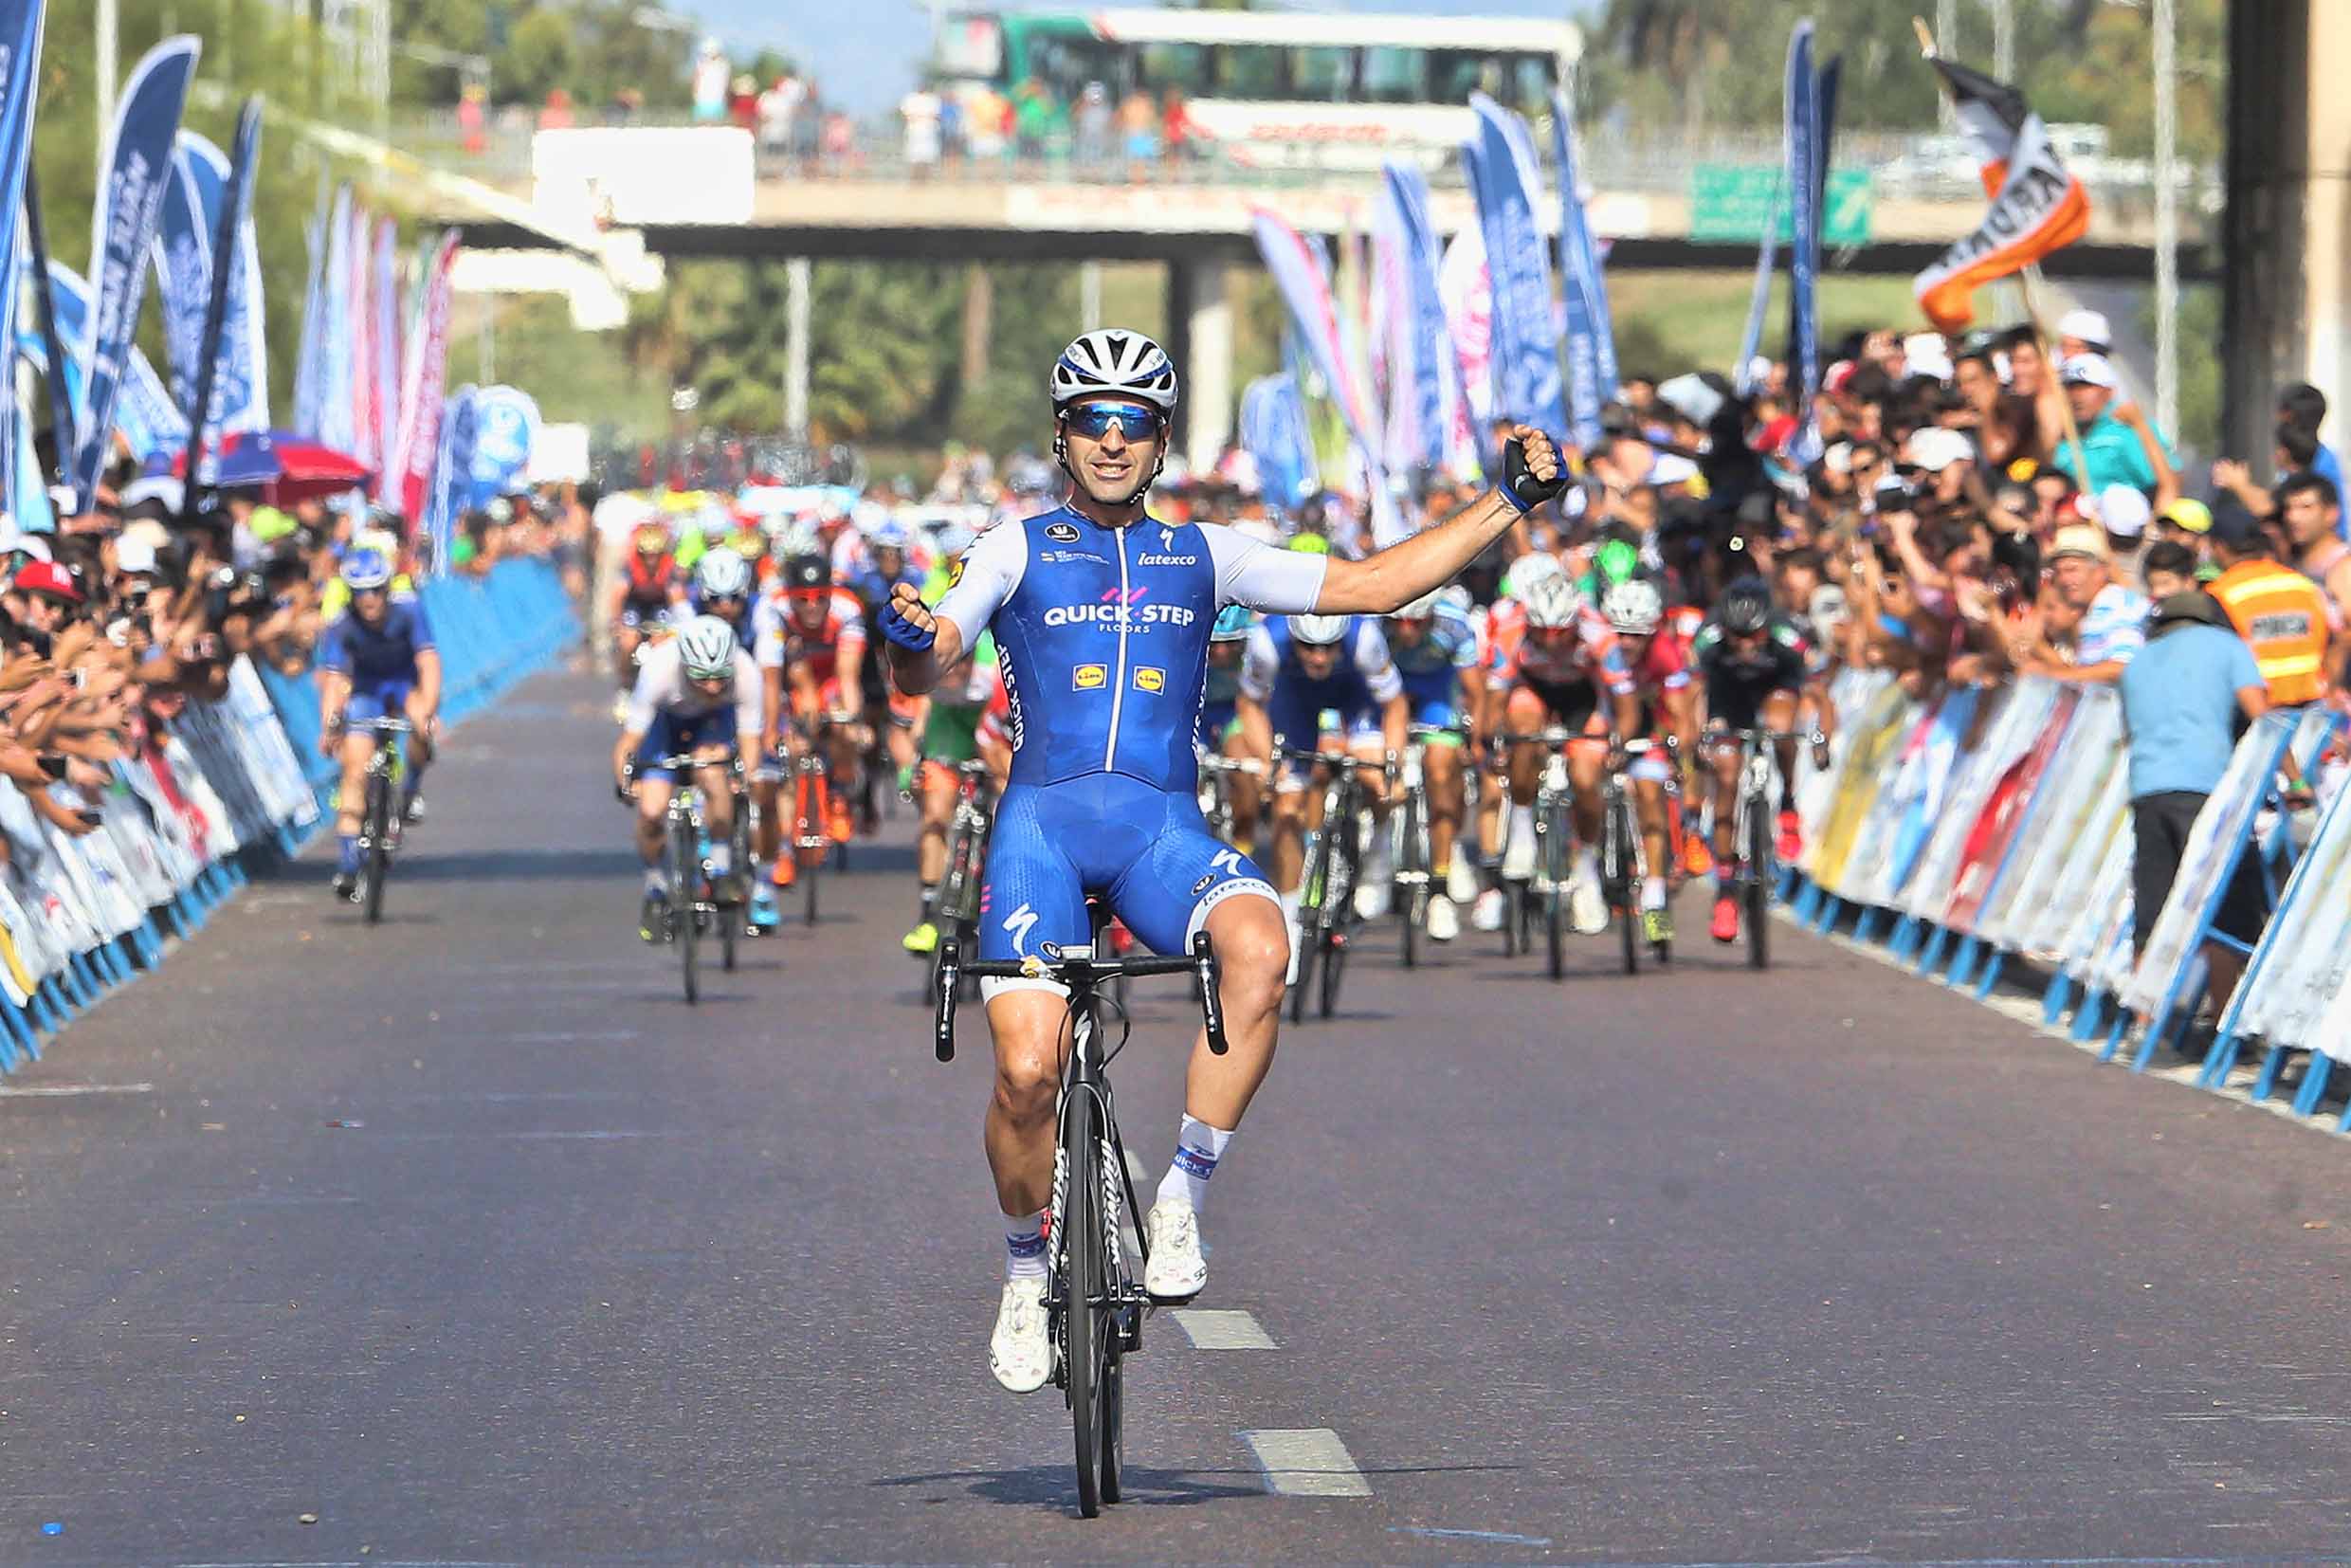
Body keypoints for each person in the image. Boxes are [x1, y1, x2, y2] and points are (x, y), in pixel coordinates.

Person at [876, 328, 1564, 1393]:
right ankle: (1023, 1274)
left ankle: (1184, 1196)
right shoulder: (1014, 547)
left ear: (1158, 442)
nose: (1111, 440)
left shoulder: (1206, 553)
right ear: (1061, 438)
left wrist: (1504, 503)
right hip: (1041, 835)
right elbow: (932, 667)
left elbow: (1376, 586)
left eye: (1133, 422)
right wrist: (907, 637)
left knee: (1260, 942)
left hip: (1160, 831)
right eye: (1091, 421)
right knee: (1024, 1072)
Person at [2116, 593, 2270, 1013]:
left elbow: (2130, 730)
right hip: (2205, 786)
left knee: (2154, 904)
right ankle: (2223, 1018)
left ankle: (2146, 1018)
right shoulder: (2226, 646)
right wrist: (2294, 777)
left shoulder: (2137, 663)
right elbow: (2260, 713)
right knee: (2227, 902)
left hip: (2147, 787)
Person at [1241, 610, 1408, 951]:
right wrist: (1268, 764)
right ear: (1293, 640)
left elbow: (1394, 704)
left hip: (1355, 700)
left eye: (1329, 648)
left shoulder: (1365, 639)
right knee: (1286, 810)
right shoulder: (1266, 642)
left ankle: (1377, 855)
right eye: (1308, 647)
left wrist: (1393, 763)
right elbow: (1250, 704)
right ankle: (1290, 916)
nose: (1318, 657)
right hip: (1295, 704)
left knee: (1377, 776)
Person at [1690, 576, 1827, 944]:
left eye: (1755, 637)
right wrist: (1695, 740)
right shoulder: (1708, 638)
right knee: (1727, 776)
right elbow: (1691, 692)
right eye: (1738, 637)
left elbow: (1818, 691)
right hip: (1727, 698)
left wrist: (1821, 739)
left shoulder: (1788, 637)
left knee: (1782, 725)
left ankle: (1787, 805)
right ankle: (1725, 889)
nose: (1747, 646)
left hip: (1774, 691)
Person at [614, 614, 760, 940]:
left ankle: (720, 867)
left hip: (713, 724)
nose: (711, 686)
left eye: (720, 678)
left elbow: (751, 741)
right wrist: (626, 781)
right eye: (700, 677)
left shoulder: (745, 670)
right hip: (664, 727)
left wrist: (742, 778)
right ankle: (655, 888)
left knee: (714, 777)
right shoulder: (658, 670)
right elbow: (629, 742)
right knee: (651, 811)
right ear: (684, 666)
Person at [316, 551, 441, 901]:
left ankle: (411, 791)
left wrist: (428, 711)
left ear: (386, 588)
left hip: (404, 683)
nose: (369, 599)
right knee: (355, 767)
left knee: (421, 725)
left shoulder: (409, 609)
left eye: (375, 590)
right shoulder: (341, 624)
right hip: (366, 689)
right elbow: (336, 680)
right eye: (360, 592)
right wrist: (329, 726)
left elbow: (428, 661)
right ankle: (348, 864)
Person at [1380, 588, 1484, 941]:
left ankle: (1440, 888)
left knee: (1441, 771)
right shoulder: (1376, 623)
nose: (1407, 631)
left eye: (1417, 623)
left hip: (1437, 698)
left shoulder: (1454, 624)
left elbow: (1475, 691)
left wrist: (1474, 738)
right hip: (1391, 692)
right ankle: (1373, 861)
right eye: (1401, 623)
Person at [1600, 575, 1696, 946]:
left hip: (1650, 727)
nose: (1628, 643)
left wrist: (1678, 751)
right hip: (1606, 718)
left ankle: (1654, 895)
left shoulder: (1665, 653)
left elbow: (1680, 715)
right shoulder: (1603, 651)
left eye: (1636, 636)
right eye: (1621, 633)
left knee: (1650, 791)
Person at [2204, 500, 2330, 707]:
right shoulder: (2303, 586)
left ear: (2220, 547)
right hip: (2312, 709)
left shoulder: (2220, 593)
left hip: (2260, 712)